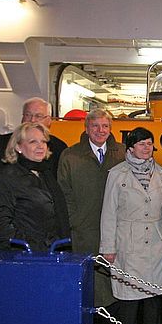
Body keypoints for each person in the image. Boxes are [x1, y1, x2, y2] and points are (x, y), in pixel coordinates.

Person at [100, 127, 162, 324]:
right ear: (131, 147)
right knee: (129, 299)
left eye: (149, 143)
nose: (146, 148)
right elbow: (108, 213)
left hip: (155, 242)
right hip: (128, 243)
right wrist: (108, 247)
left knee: (154, 298)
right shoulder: (117, 174)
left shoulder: (161, 174)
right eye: (142, 143)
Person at [58, 109, 126, 308]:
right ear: (86, 128)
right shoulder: (70, 155)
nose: (100, 130)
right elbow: (64, 192)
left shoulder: (122, 153)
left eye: (105, 126)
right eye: (95, 126)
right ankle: (91, 318)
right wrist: (74, 220)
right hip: (84, 228)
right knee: (90, 277)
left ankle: (114, 319)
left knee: (115, 277)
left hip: (118, 227)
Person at [0, 97, 69, 247]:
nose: (40, 146)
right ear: (18, 147)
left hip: (49, 248)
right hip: (22, 252)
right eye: (33, 142)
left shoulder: (45, 173)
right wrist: (28, 244)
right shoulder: (7, 177)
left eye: (43, 141)